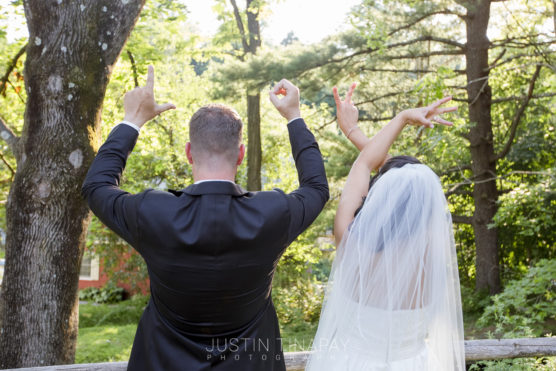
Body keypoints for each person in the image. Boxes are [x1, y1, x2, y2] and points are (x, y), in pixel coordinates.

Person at [82, 66, 329, 370]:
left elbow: (96, 186)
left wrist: (132, 121)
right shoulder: (273, 212)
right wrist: (294, 116)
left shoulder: (152, 212)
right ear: (240, 155)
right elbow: (316, 188)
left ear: (188, 152)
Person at [306, 84, 465, 370]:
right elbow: (397, 178)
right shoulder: (434, 260)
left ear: (380, 197)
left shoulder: (351, 243)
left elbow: (368, 162)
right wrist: (356, 133)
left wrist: (402, 118)